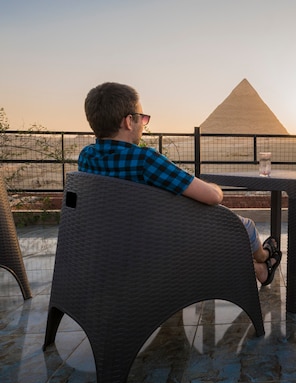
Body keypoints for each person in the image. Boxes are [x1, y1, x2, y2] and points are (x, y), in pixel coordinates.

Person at [78, 82, 281, 286]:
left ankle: (260, 267)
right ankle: (262, 258)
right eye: (143, 118)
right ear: (129, 121)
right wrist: (215, 188)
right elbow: (212, 197)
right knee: (243, 225)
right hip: (160, 254)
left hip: (110, 253)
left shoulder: (86, 157)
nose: (144, 124)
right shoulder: (145, 159)